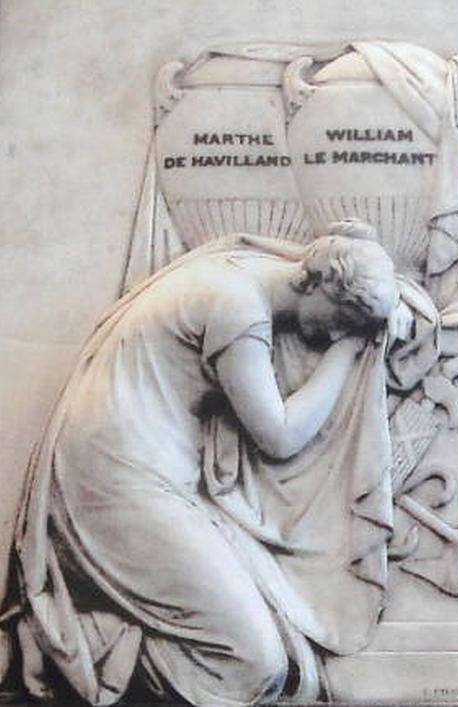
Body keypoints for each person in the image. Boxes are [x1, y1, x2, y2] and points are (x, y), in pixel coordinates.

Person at [8, 221, 430, 706]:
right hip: (119, 481)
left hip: (138, 468)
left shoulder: (245, 267)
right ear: (316, 283)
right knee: (253, 660)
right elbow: (280, 436)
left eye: (350, 326)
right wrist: (349, 349)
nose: (336, 329)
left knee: (282, 629)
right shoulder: (238, 306)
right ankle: (70, 644)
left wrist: (386, 305)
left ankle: (87, 636)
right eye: (342, 317)